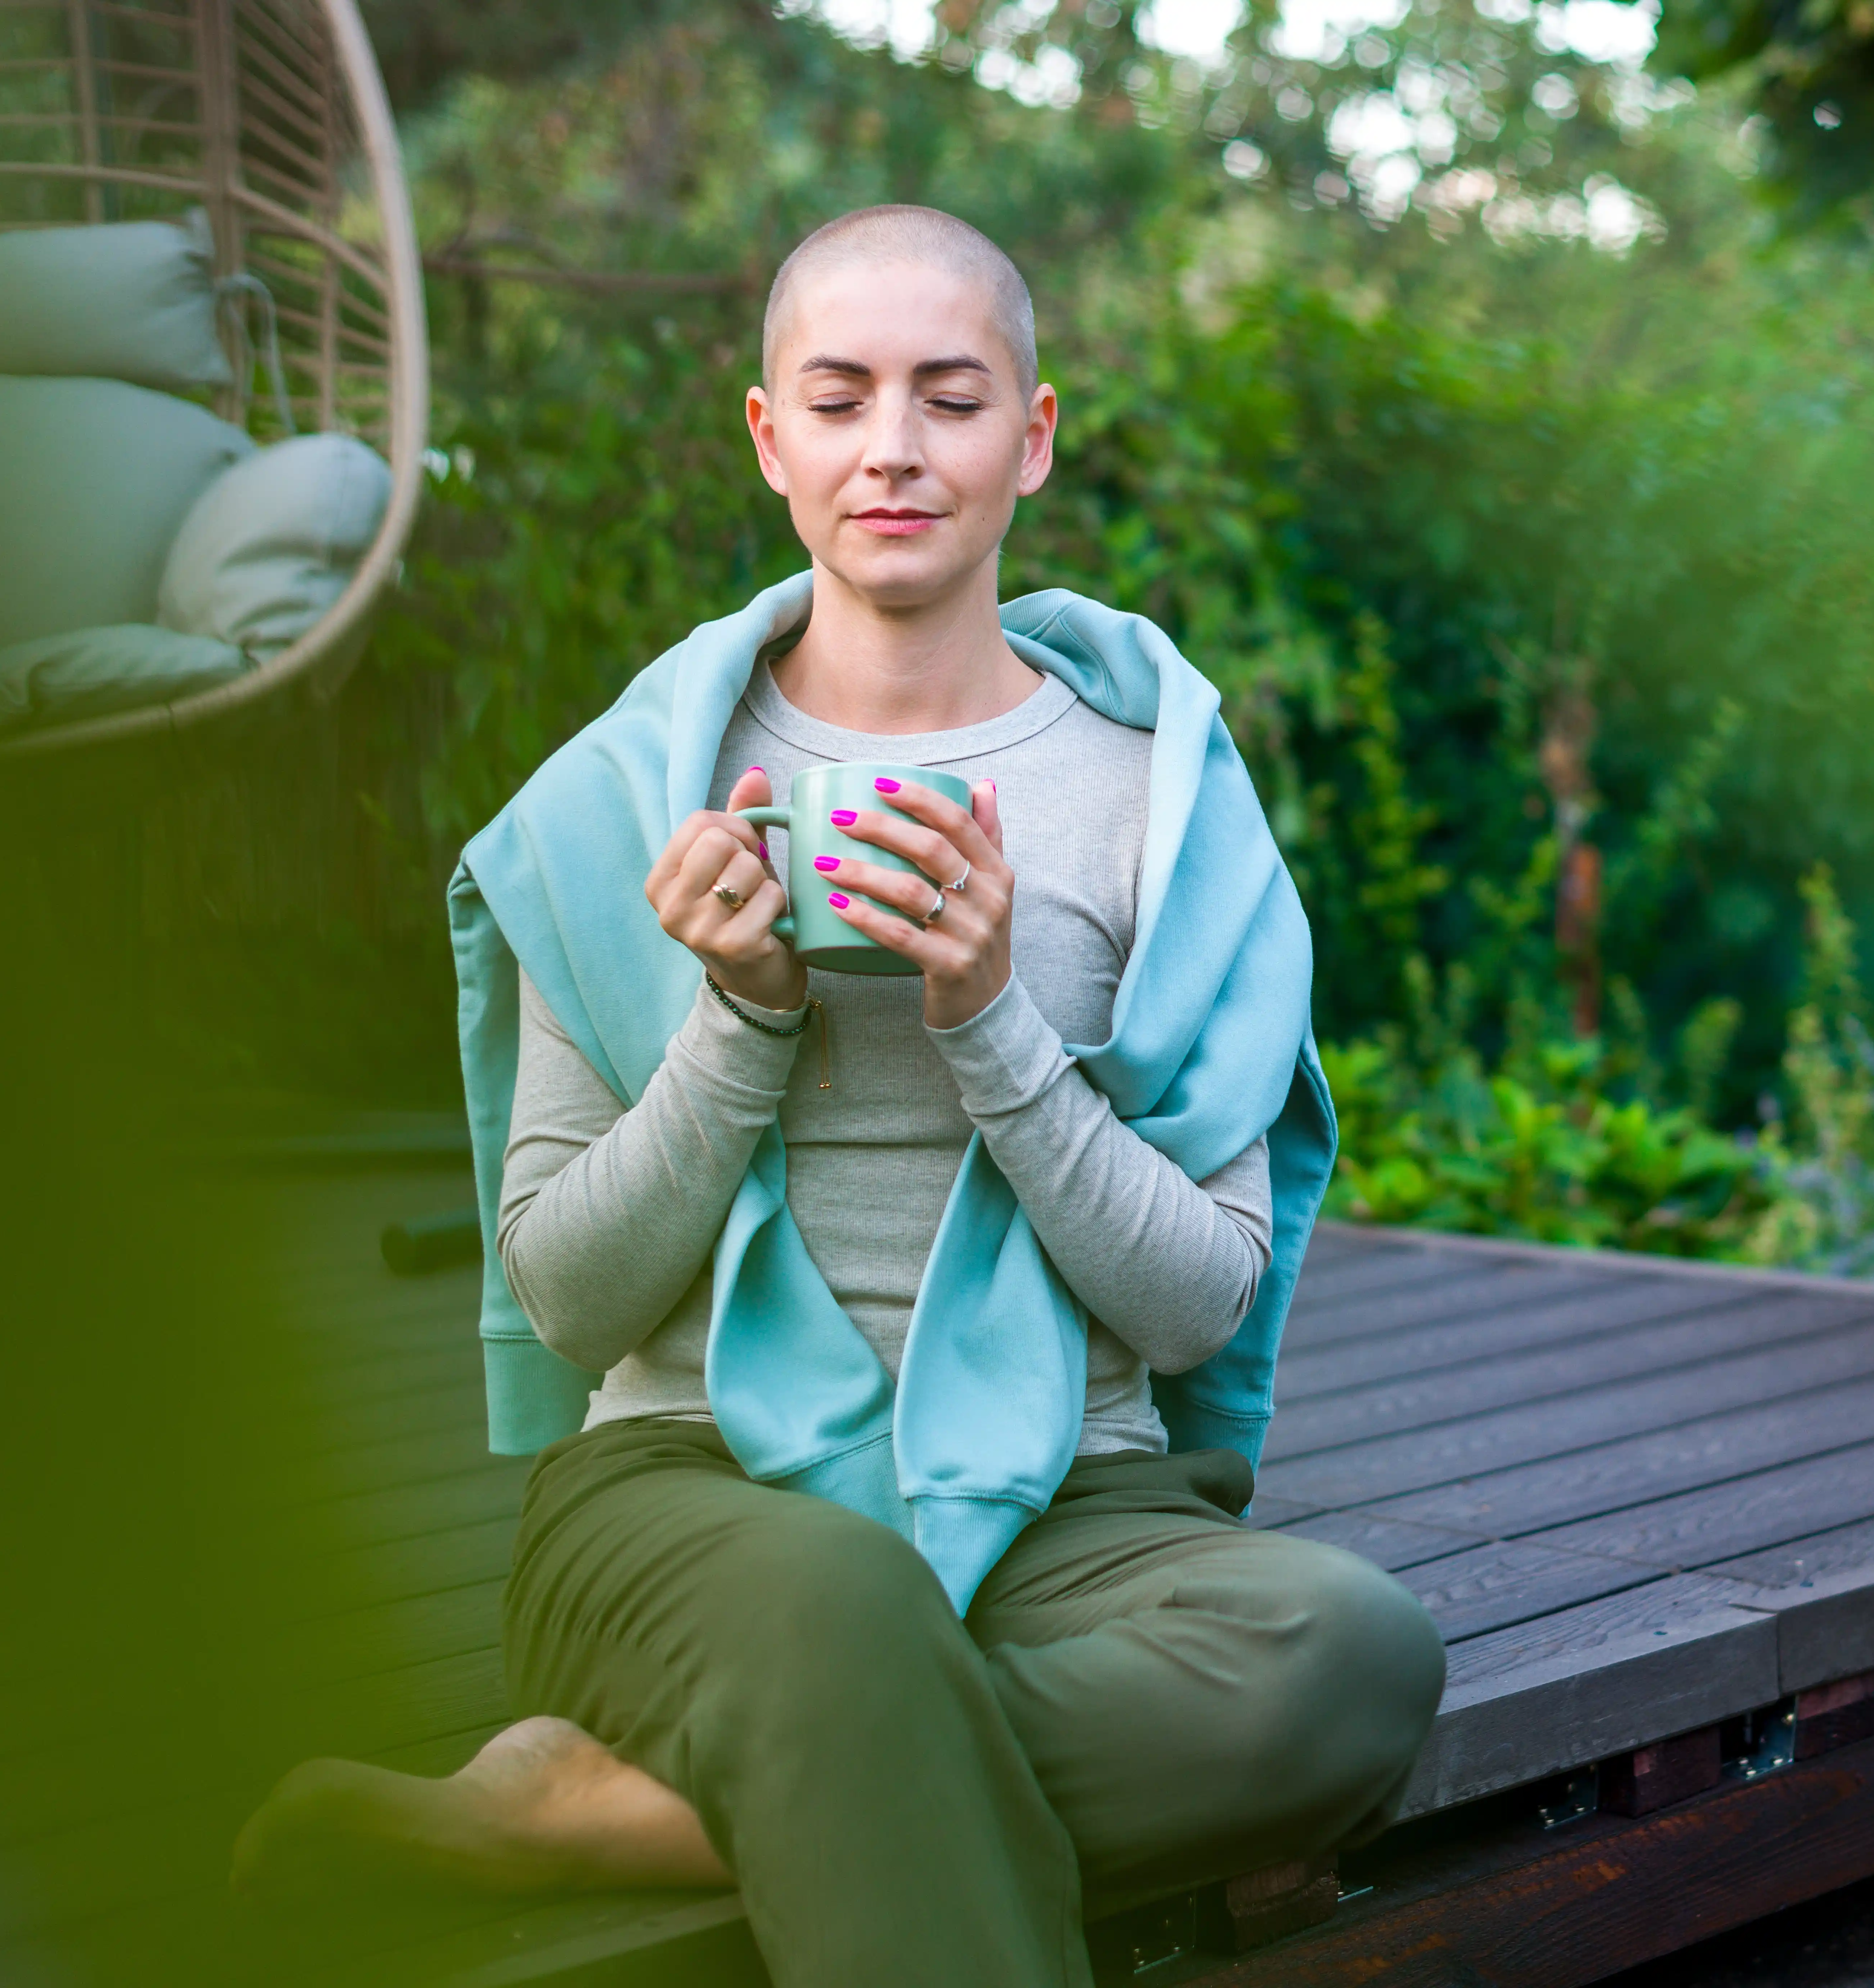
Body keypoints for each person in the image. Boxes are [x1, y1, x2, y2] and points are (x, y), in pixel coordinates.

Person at [234, 205, 1445, 1988]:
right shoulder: (628, 799)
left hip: (1062, 1499)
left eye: (950, 398)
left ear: (1028, 438)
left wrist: (991, 1022)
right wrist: (738, 1018)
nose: (893, 447)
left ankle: (600, 1807)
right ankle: (807, 1739)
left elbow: (1199, 1296)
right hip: (684, 1488)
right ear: (768, 436)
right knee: (841, 1597)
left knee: (1347, 1654)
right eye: (842, 396)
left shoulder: (1158, 808)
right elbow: (572, 1299)